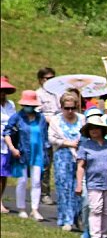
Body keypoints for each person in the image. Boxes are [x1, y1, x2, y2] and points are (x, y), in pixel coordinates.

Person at [4, 90, 50, 220]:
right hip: (22, 153)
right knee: (22, 181)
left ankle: (35, 209)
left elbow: (45, 136)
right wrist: (12, 148)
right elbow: (6, 132)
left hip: (38, 153)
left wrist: (46, 152)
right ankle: (21, 208)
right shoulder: (17, 117)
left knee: (36, 181)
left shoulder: (40, 118)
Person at [75, 109, 107, 238]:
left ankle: (104, 236)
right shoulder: (85, 146)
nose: (94, 130)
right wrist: (79, 185)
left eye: (97, 128)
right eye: (91, 128)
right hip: (93, 181)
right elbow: (81, 165)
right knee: (96, 208)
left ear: (102, 130)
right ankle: (95, 236)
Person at [49, 91, 84, 230]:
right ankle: (66, 218)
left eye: (72, 108)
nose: (70, 111)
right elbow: (51, 138)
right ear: (62, 107)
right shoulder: (56, 120)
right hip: (62, 155)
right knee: (64, 187)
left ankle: (78, 217)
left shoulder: (81, 119)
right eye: (66, 108)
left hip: (79, 156)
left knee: (78, 186)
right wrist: (67, 143)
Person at [34, 67, 58, 205]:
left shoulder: (58, 93)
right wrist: (54, 121)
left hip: (60, 132)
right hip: (46, 132)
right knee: (46, 164)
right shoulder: (38, 94)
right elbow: (39, 114)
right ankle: (44, 193)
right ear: (40, 80)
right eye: (47, 78)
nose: (50, 81)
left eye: (52, 77)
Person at [0, 76, 16, 214]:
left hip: (7, 143)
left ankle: (1, 198)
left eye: (4, 91)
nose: (2, 93)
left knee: (4, 173)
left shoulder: (10, 104)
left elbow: (13, 121)